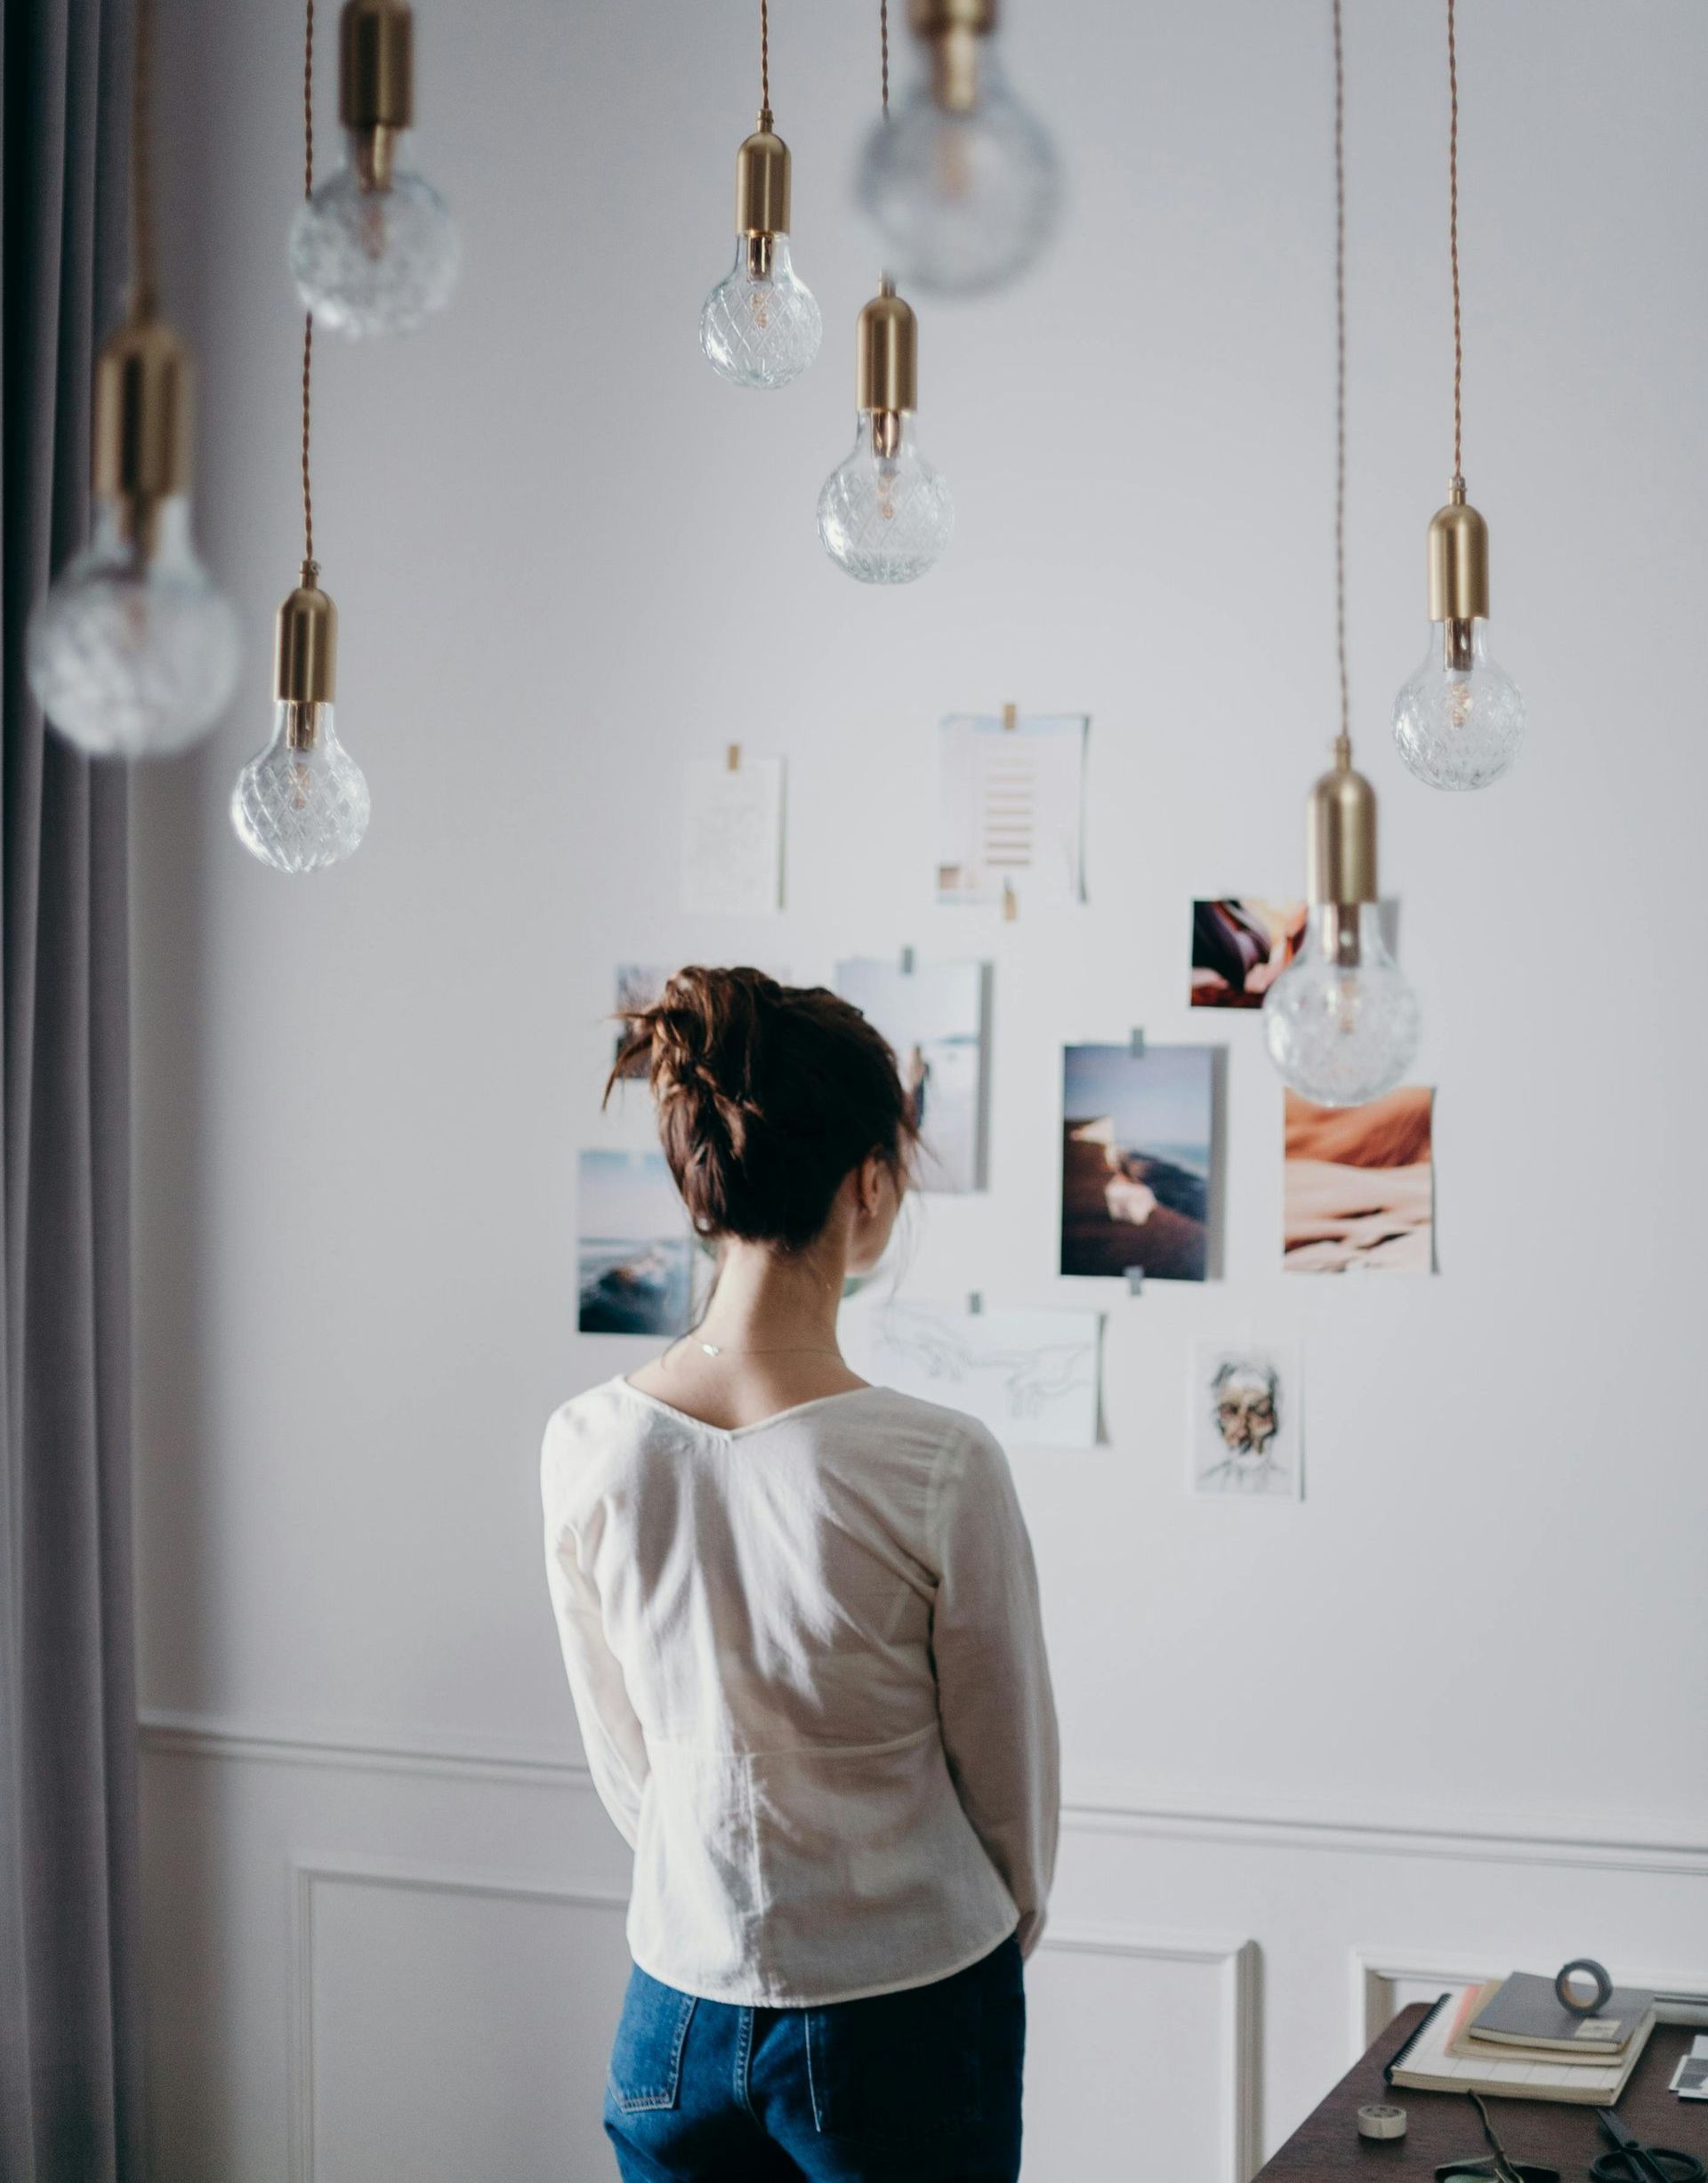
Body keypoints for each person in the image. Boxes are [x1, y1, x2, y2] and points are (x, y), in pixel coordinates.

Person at [541, 965, 1059, 2183]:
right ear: (870, 1182)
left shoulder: (587, 1443)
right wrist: (978, 1948)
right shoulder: (937, 1463)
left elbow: (633, 1768)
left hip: (671, 2007)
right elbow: (1009, 1792)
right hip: (907, 2002)